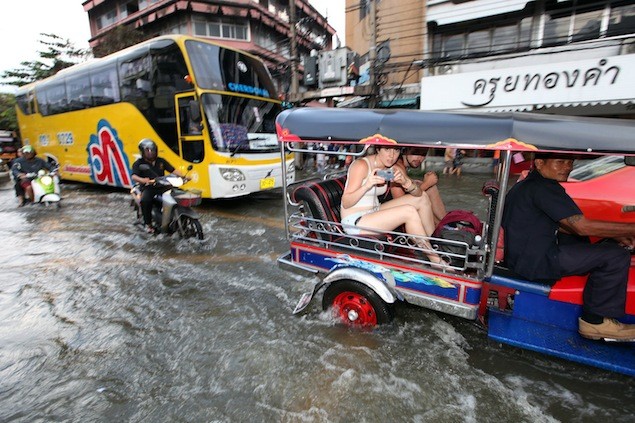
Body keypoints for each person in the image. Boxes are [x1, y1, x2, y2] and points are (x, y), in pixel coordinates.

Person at [502, 152, 635, 340]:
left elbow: (559, 225)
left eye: (570, 162)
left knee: (601, 244)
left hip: (522, 257)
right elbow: (580, 226)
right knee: (615, 255)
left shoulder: (527, 185)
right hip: (537, 262)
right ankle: (595, 322)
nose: (568, 167)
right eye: (561, 162)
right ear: (539, 163)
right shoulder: (544, 189)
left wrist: (617, 235)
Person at [340, 142, 444, 267]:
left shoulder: (388, 169)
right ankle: (435, 261)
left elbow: (418, 193)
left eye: (396, 150)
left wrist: (406, 182)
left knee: (422, 198)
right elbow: (346, 202)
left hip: (373, 212)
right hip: (354, 221)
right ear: (378, 149)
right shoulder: (361, 165)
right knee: (409, 211)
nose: (392, 155)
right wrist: (368, 184)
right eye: (387, 149)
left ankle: (436, 246)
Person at [131, 138, 188, 233]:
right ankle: (148, 224)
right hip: (148, 188)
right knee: (146, 200)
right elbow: (134, 176)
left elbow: (173, 170)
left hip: (162, 186)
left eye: (152, 150)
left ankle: (172, 218)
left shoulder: (161, 161)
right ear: (142, 152)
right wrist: (144, 180)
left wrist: (183, 176)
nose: (151, 153)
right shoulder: (139, 163)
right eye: (148, 151)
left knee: (178, 194)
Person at [389, 147, 447, 224]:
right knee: (428, 188)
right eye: (416, 152)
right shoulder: (397, 167)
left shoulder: (401, 165)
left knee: (429, 187)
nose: (419, 158)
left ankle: (445, 222)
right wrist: (426, 184)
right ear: (405, 150)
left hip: (398, 206)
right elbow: (400, 202)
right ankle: (445, 223)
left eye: (423, 154)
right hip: (391, 210)